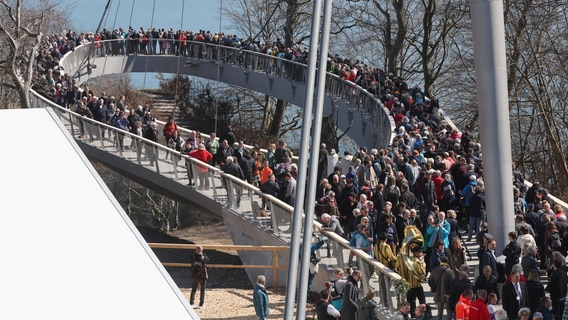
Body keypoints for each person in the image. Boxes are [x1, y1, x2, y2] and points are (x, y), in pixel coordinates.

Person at [429, 256, 454, 320]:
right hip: (448, 295)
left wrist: (434, 287)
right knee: (449, 311)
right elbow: (452, 284)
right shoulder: (450, 272)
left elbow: (430, 281)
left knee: (439, 312)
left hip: (438, 294)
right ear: (447, 262)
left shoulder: (434, 270)